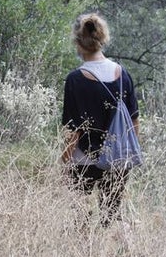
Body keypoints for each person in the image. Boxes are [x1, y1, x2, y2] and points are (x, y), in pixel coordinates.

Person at [60, 12, 141, 228]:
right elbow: (133, 123)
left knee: (80, 219)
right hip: (117, 160)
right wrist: (126, 155)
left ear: (78, 42)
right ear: (102, 39)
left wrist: (63, 161)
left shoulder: (75, 79)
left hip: (82, 161)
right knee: (111, 217)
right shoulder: (122, 74)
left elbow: (73, 130)